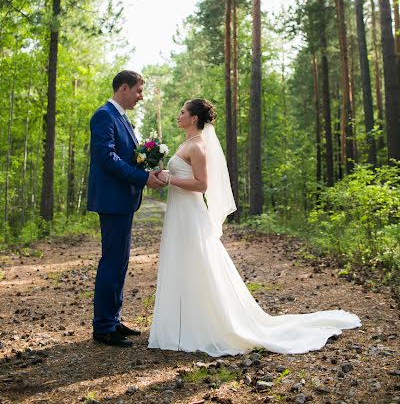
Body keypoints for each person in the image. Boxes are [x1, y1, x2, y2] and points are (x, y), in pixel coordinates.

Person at [149, 98, 361, 356]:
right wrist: (162, 175)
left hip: (191, 213)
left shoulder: (198, 147)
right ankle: (180, 323)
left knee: (197, 262)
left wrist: (170, 178)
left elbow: (202, 185)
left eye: (182, 112)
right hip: (179, 211)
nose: (178, 115)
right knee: (183, 262)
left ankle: (206, 324)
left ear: (194, 118)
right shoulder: (186, 143)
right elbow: (183, 177)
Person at [88, 70, 165, 347]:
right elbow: (107, 158)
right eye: (138, 91)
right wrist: (144, 178)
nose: (141, 96)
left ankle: (113, 319)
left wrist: (150, 167)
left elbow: (127, 157)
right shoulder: (104, 115)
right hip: (111, 199)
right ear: (123, 88)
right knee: (112, 260)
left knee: (119, 261)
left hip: (123, 199)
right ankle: (103, 327)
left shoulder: (121, 117)